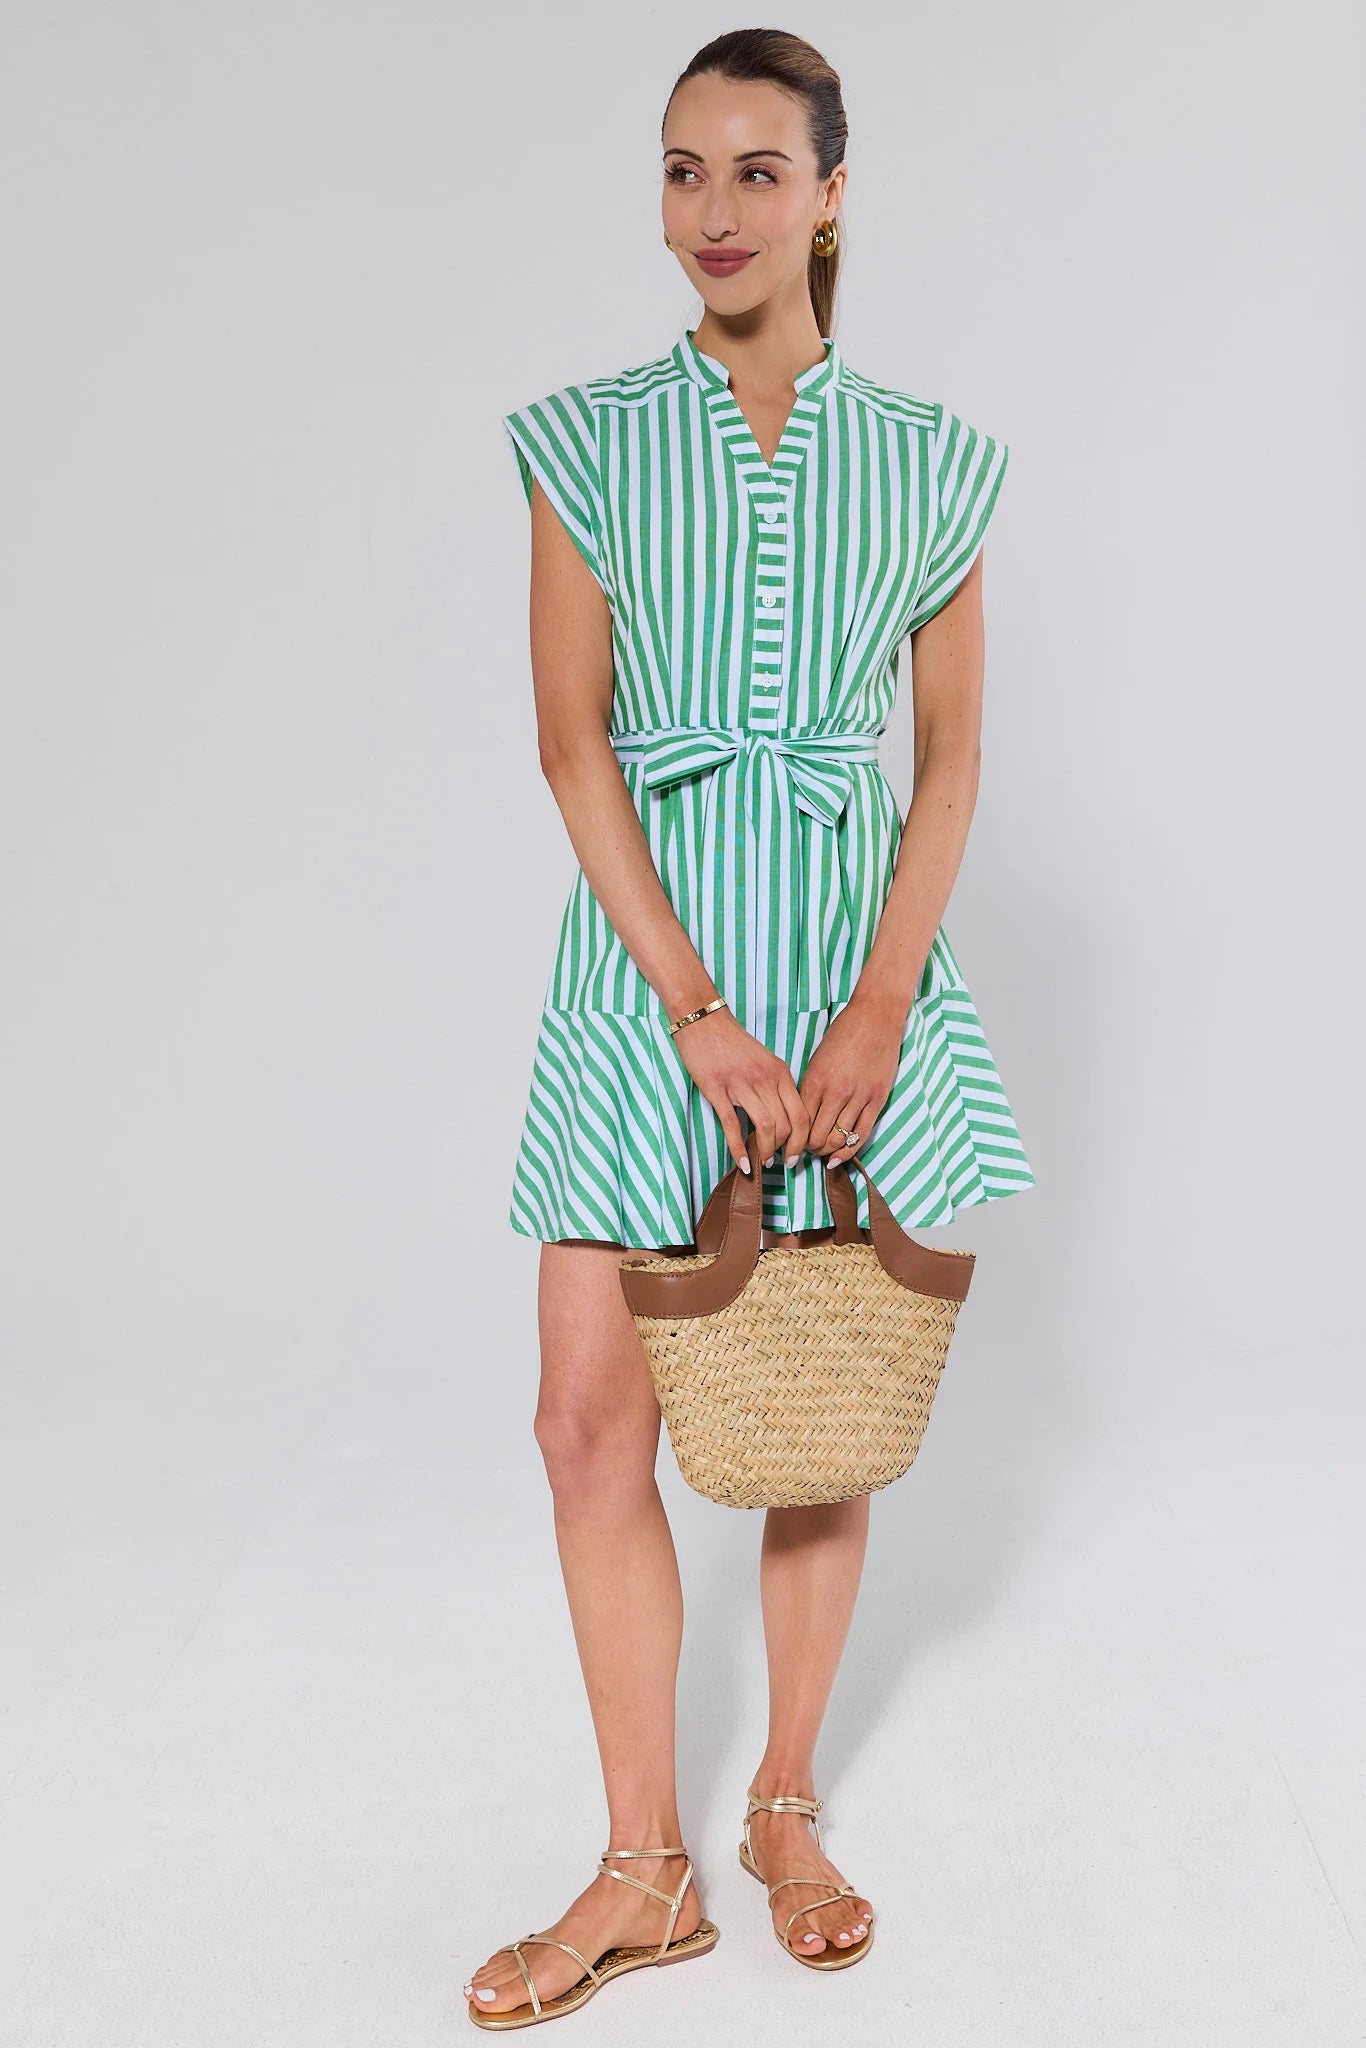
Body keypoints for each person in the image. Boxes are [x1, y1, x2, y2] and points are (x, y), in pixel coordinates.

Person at [465, 27, 1036, 2029]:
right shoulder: (582, 439)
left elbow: (948, 757)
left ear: (827, 192)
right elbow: (566, 744)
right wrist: (695, 1009)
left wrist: (874, 1000)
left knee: (818, 1398)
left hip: (848, 967)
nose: (711, 212)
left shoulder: (931, 458)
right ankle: (644, 1866)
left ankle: (784, 1795)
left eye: (752, 172)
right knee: (582, 1419)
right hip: (649, 979)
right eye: (681, 170)